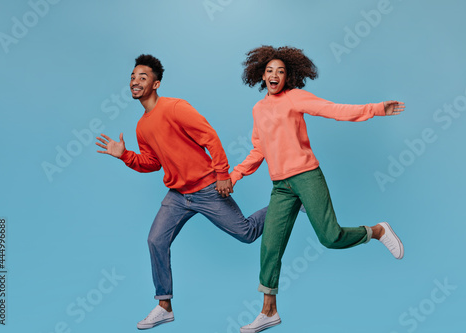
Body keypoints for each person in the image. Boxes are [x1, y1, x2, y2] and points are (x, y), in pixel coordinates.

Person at [230, 46, 405, 333]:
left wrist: (375, 109)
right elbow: (259, 149)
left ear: (289, 76)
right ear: (262, 75)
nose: (275, 75)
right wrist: (235, 175)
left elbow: (333, 110)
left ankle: (377, 231)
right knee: (270, 246)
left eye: (281, 71)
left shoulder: (295, 97)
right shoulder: (258, 109)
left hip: (307, 176)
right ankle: (268, 311)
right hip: (281, 186)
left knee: (330, 238)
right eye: (270, 71)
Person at [95, 54, 266, 330]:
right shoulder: (142, 126)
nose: (135, 81)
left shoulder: (175, 107)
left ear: (156, 83)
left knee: (246, 233)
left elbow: (209, 136)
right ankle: (164, 306)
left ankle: (288, 201)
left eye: (143, 77)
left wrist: (222, 174)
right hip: (177, 196)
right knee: (155, 241)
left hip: (207, 188)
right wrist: (124, 155)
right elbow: (152, 163)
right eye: (132, 77)